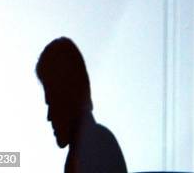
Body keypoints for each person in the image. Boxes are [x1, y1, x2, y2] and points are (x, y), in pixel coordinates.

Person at [36, 37, 128, 173]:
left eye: (53, 104)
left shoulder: (94, 148)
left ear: (70, 98)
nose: (49, 117)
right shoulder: (94, 145)